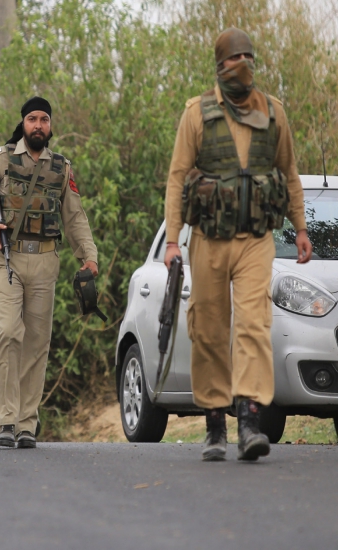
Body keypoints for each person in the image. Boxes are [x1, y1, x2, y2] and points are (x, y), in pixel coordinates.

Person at [164, 28, 312, 461]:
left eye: (249, 56)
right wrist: (172, 240)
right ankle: (214, 424)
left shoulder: (274, 113)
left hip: (255, 239)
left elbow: (289, 173)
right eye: (234, 58)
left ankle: (249, 420)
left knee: (253, 324)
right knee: (208, 328)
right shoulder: (197, 113)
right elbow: (177, 178)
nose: (242, 64)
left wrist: (301, 229)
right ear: (219, 65)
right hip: (208, 239)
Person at [0, 97, 99, 448]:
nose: (38, 125)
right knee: (9, 333)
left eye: (44, 119)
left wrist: (89, 257)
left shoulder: (61, 167)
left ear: (51, 125)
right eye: (31, 119)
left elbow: (74, 217)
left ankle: (27, 424)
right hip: (7, 261)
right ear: (23, 123)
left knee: (37, 344)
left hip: (45, 262)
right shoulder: (1, 158)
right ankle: (5, 421)